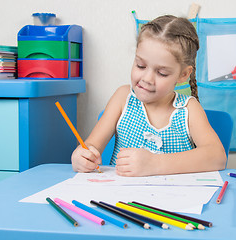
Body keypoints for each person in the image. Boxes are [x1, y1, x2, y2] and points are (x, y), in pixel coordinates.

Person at [71, 15, 226, 176]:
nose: (147, 79)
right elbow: (91, 145)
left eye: (162, 73)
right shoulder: (122, 98)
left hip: (175, 198)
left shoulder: (188, 109)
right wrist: (82, 156)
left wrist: (155, 163)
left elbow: (217, 156)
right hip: (121, 198)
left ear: (183, 75)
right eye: (140, 65)